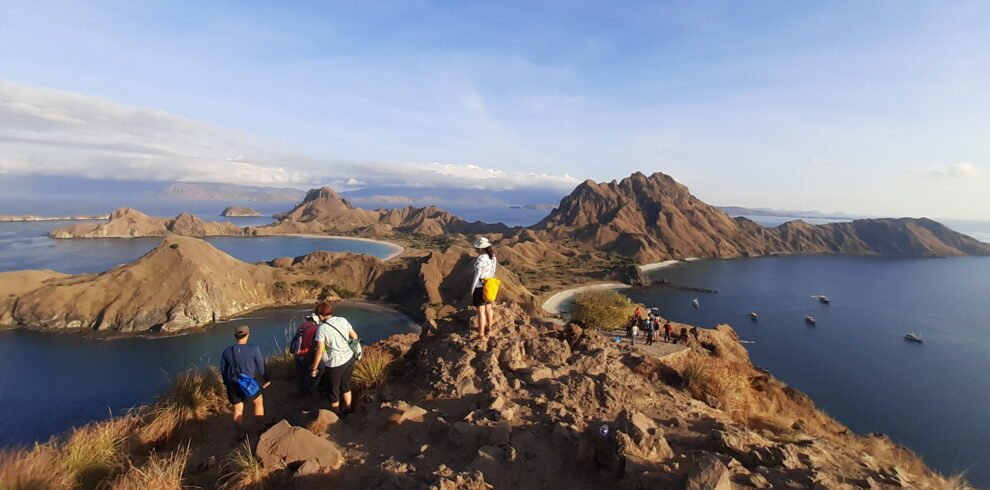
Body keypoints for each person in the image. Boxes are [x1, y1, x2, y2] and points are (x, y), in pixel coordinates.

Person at [220, 325, 271, 438]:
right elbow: (261, 366)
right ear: (248, 334)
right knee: (258, 403)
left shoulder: (227, 351)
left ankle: (241, 434)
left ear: (235, 336)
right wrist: (266, 379)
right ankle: (261, 427)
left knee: (237, 410)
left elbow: (223, 370)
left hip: (233, 384)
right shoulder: (254, 348)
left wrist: (226, 383)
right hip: (249, 383)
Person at [310, 301, 359, 415]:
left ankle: (336, 416)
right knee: (346, 384)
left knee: (333, 391)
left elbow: (319, 351)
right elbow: (355, 336)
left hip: (335, 364)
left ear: (320, 316)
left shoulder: (322, 329)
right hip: (349, 358)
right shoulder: (343, 320)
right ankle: (348, 408)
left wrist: (314, 368)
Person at [468, 236, 497, 339]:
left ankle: (481, 334)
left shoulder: (481, 258)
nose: (476, 250)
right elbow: (493, 272)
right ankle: (489, 328)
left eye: (477, 248)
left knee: (481, 312)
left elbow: (477, 275)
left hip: (480, 286)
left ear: (480, 248)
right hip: (489, 285)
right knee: (489, 309)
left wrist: (473, 288)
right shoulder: (493, 257)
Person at [292, 313, 322, 395]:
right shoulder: (316, 329)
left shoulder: (301, 326)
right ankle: (310, 389)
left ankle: (301, 391)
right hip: (307, 354)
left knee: (300, 374)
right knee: (314, 371)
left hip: (297, 354)